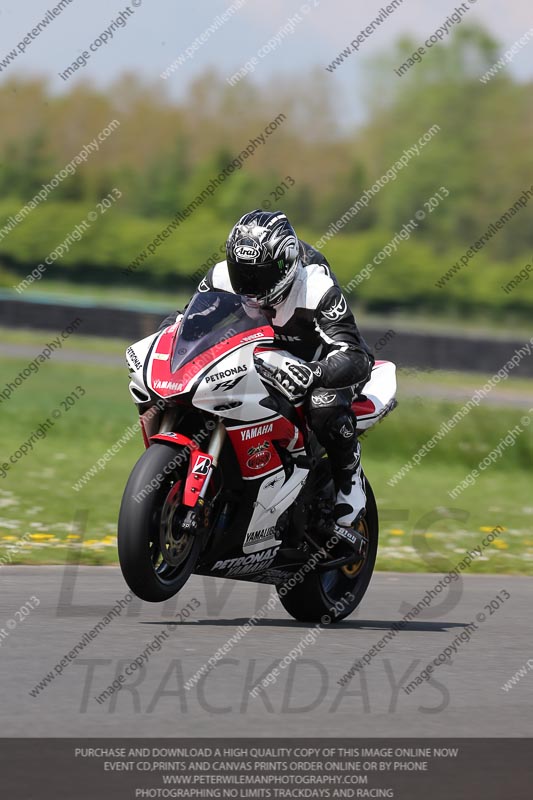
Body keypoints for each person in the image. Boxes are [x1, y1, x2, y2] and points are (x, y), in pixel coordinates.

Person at [162, 210, 374, 540]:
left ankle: (350, 483)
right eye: (241, 273)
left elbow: (355, 354)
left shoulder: (315, 286)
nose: (247, 287)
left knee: (324, 403)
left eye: (257, 277)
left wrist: (315, 372)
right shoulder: (221, 278)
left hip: (317, 362)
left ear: (284, 267)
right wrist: (169, 335)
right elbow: (189, 323)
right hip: (263, 354)